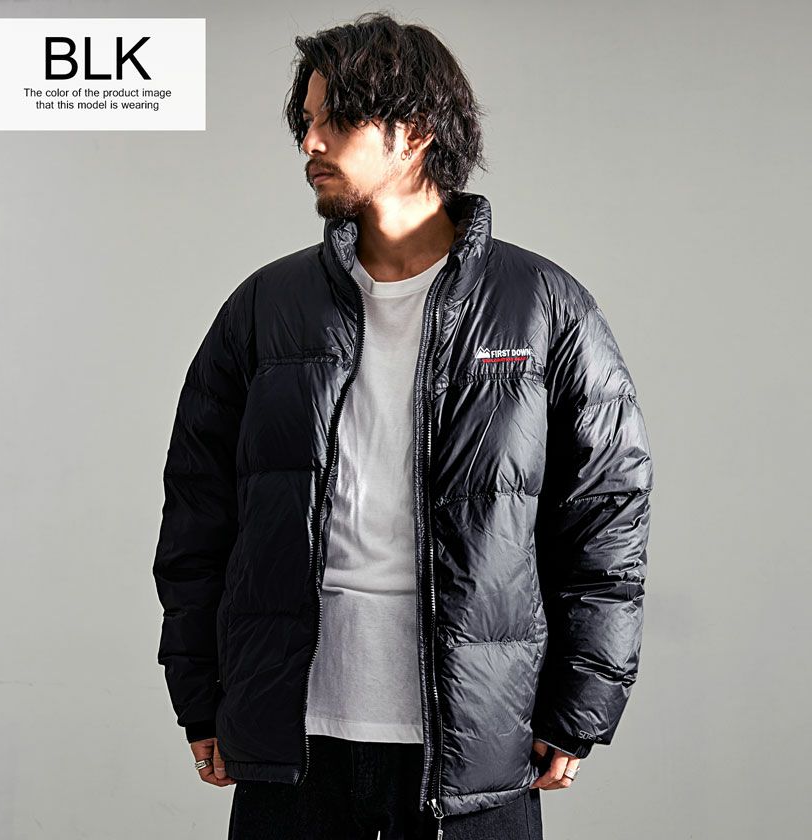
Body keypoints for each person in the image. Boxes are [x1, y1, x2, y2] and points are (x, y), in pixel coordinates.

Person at [152, 11, 653, 840]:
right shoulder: (265, 308)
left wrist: (582, 704)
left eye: (335, 120)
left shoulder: (544, 308)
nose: (310, 142)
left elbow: (607, 517)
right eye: (305, 121)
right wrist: (200, 695)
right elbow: (197, 515)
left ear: (414, 132)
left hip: (476, 741)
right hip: (293, 736)